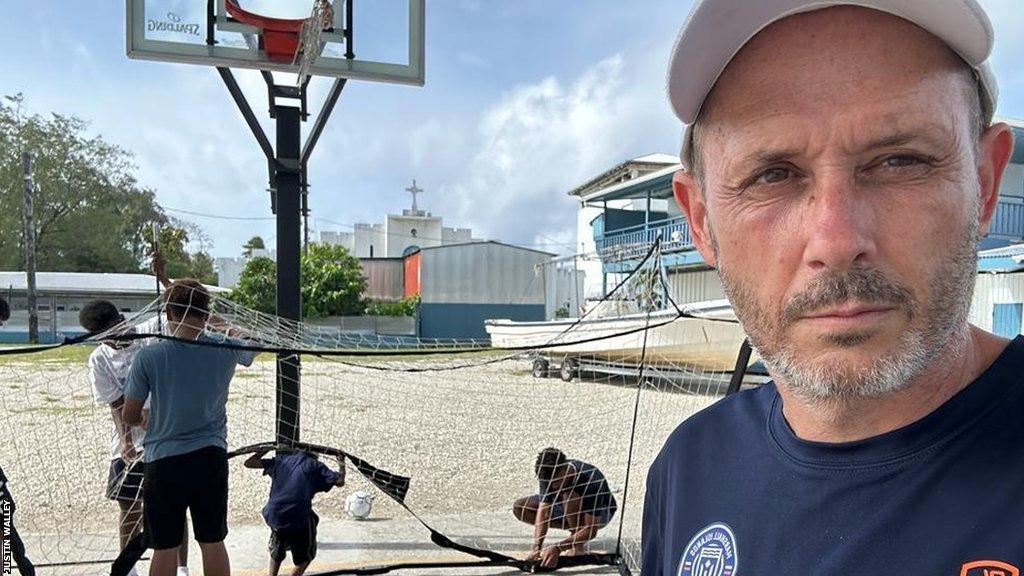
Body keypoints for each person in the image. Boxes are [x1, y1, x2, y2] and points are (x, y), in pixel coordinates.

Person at [643, 1, 1019, 574]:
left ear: (984, 186)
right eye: (773, 174)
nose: (836, 239)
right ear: (701, 222)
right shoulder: (688, 466)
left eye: (900, 161)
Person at [123, 279, 257, 576]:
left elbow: (130, 414)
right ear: (206, 313)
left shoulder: (150, 356)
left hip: (163, 460)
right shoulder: (224, 347)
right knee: (212, 541)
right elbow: (251, 341)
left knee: (165, 545)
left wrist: (150, 420)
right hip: (210, 457)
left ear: (168, 313)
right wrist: (221, 323)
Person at [78, 300, 191, 576]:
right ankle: (128, 569)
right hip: (131, 440)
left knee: (174, 505)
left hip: (168, 437)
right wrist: (127, 440)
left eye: (115, 331)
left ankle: (182, 567)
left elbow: (179, 305)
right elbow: (116, 404)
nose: (114, 341)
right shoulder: (99, 358)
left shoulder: (152, 330)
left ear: (122, 319)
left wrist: (162, 275)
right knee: (128, 505)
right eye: (106, 338)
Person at [244, 447, 346, 576]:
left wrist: (266, 449)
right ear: (315, 456)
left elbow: (249, 463)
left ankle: (272, 571)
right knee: (305, 559)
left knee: (278, 547)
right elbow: (339, 481)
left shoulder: (282, 460)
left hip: (274, 515)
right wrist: (341, 462)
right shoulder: (316, 466)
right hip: (298, 518)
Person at [514, 447, 617, 569]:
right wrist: (536, 547)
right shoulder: (547, 473)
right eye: (549, 483)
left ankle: (578, 547)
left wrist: (558, 547)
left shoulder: (591, 479)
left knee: (568, 496)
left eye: (556, 482)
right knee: (520, 507)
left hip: (601, 513)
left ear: (565, 471)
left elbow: (591, 530)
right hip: (566, 505)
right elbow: (544, 511)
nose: (553, 486)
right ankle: (576, 536)